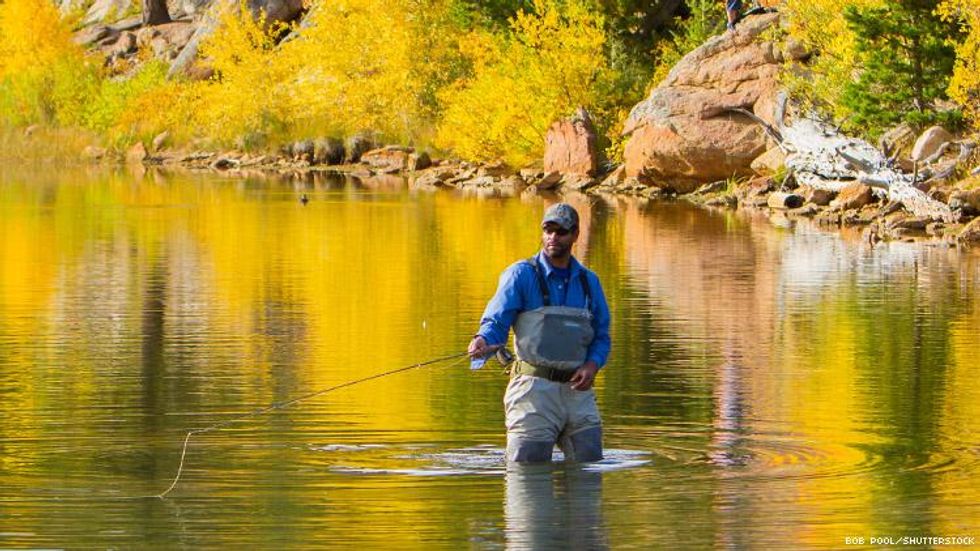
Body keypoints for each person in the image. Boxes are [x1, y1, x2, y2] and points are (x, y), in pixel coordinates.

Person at [468, 203, 611, 463]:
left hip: (578, 393)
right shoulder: (520, 275)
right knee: (527, 472)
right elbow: (497, 320)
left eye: (561, 231)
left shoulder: (590, 282)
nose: (553, 237)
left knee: (591, 462)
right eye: (548, 230)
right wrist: (483, 340)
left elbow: (601, 336)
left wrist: (592, 364)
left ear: (576, 235)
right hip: (532, 392)